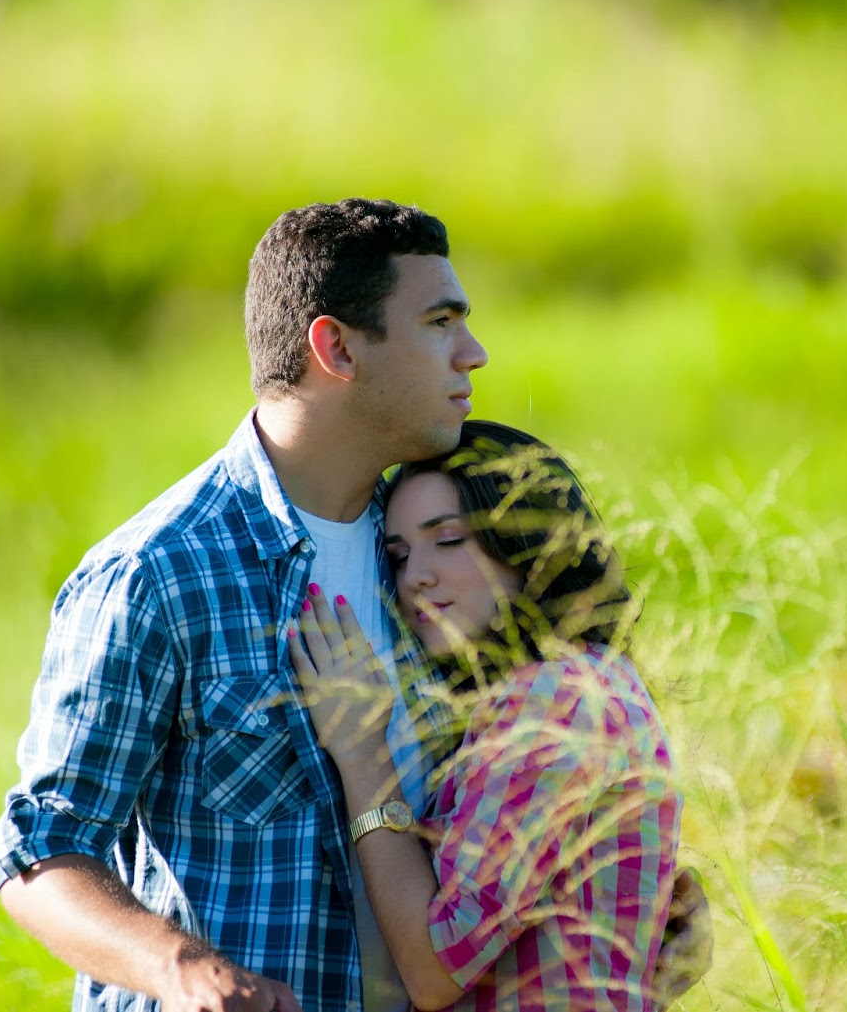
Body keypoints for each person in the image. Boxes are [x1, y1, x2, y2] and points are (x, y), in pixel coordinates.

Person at [0, 199, 710, 1011]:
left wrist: (624, 918)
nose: (472, 354)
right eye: (439, 323)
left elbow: (496, 822)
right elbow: (39, 854)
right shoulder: (158, 573)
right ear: (335, 346)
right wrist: (181, 967)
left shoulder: (429, 558)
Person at [288, 421, 681, 1009]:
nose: (416, 576)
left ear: (530, 545)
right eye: (397, 557)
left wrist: (362, 750)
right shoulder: (584, 680)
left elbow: (434, 967)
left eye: (447, 540)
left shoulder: (552, 700)